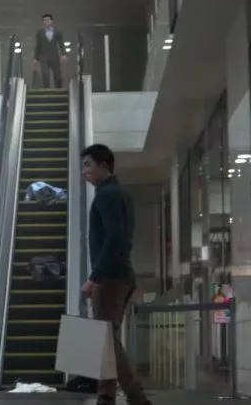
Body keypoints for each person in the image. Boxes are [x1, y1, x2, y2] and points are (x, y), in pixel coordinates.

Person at [79, 144, 150, 405]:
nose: (84, 171)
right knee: (106, 338)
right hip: (120, 274)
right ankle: (105, 397)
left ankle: (137, 398)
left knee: (107, 341)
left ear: (104, 166)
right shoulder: (120, 194)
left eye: (88, 165)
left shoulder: (106, 196)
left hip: (110, 277)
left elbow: (115, 238)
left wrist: (94, 276)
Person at [33, 13, 67, 89]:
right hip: (43, 56)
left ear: (52, 21)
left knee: (57, 75)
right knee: (45, 74)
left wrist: (63, 54)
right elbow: (38, 46)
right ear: (42, 22)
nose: (46, 21)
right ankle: (46, 90)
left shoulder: (57, 32)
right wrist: (35, 58)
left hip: (54, 56)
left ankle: (59, 90)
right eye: (44, 20)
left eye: (48, 20)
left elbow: (61, 44)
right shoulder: (39, 33)